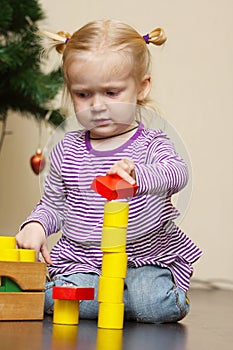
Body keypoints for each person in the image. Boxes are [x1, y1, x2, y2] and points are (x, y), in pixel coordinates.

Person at [16, 19, 202, 323]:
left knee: (151, 303)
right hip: (83, 260)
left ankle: (131, 298)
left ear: (141, 88)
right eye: (84, 94)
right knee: (64, 298)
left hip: (144, 258)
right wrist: (35, 225)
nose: (97, 105)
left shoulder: (152, 143)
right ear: (70, 92)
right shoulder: (67, 151)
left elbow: (176, 173)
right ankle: (111, 299)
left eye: (112, 93)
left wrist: (138, 176)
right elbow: (53, 205)